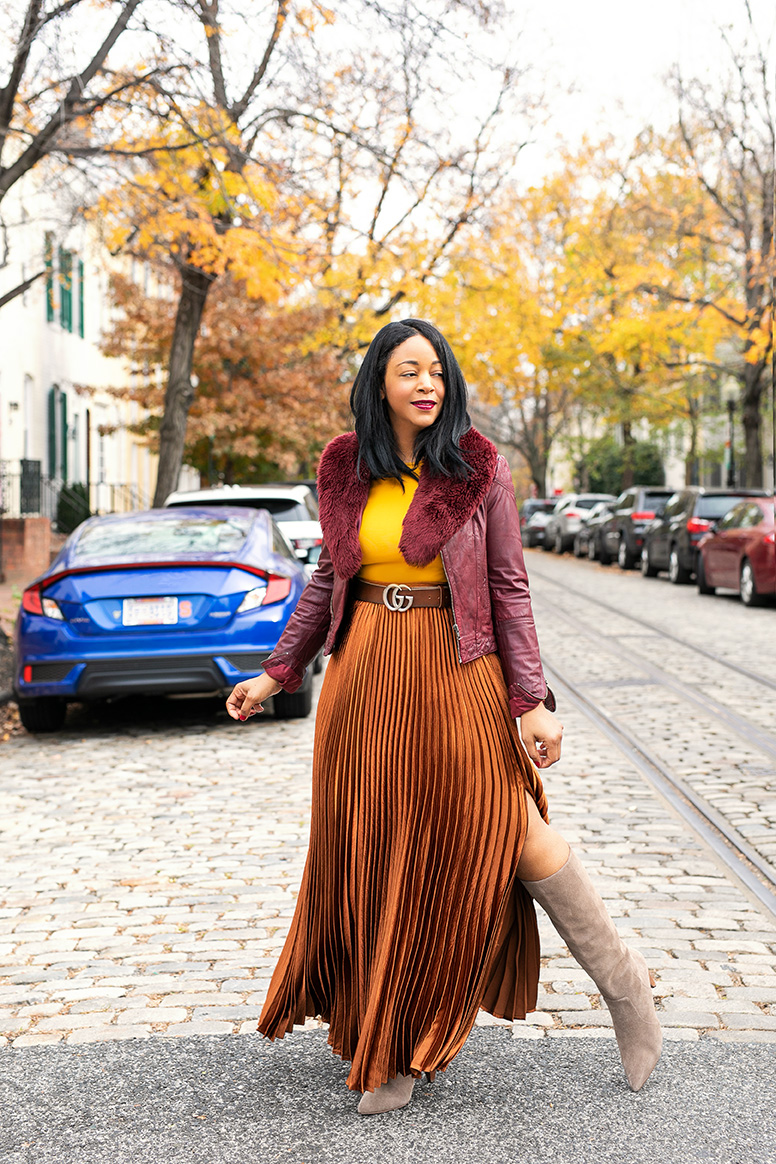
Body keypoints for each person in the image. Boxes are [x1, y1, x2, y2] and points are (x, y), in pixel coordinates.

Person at [226, 319, 662, 1116]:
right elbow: (330, 579)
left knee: (506, 825)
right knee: (377, 851)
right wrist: (275, 669)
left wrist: (531, 700)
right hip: (364, 680)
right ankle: (388, 1046)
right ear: (379, 384)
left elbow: (509, 587)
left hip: (457, 670)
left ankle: (625, 985)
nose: (426, 384)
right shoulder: (344, 466)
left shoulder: (478, 468)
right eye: (408, 371)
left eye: (436, 372)